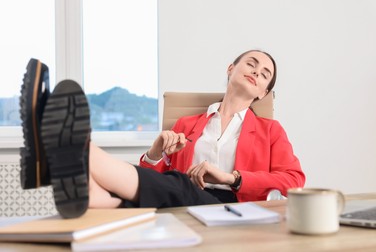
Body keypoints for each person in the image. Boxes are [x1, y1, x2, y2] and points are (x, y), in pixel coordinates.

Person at [19, 50, 305, 219]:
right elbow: (149, 179)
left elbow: (294, 180)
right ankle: (91, 195)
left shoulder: (270, 131)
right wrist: (155, 154)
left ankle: (65, 150)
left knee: (178, 183)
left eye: (265, 74)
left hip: (233, 209)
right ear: (231, 69)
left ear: (263, 93)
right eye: (251, 64)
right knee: (163, 186)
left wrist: (232, 177)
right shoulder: (186, 123)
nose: (256, 72)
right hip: (182, 202)